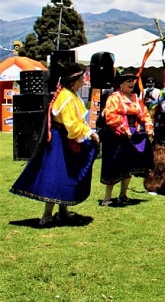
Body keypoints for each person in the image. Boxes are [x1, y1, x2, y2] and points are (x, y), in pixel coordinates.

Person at [10, 62, 100, 226]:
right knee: (57, 174)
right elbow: (71, 124)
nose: (85, 81)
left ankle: (63, 212)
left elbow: (76, 121)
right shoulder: (66, 97)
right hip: (60, 141)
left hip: (66, 138)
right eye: (82, 78)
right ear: (74, 81)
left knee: (67, 173)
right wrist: (90, 133)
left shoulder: (70, 94)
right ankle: (47, 215)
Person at [99, 68, 155, 207]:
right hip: (115, 135)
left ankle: (123, 195)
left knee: (128, 165)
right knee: (113, 165)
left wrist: (148, 126)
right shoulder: (114, 97)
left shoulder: (136, 98)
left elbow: (144, 114)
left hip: (131, 135)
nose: (131, 83)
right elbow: (110, 115)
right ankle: (107, 198)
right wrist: (123, 127)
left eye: (133, 81)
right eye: (128, 81)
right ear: (121, 84)